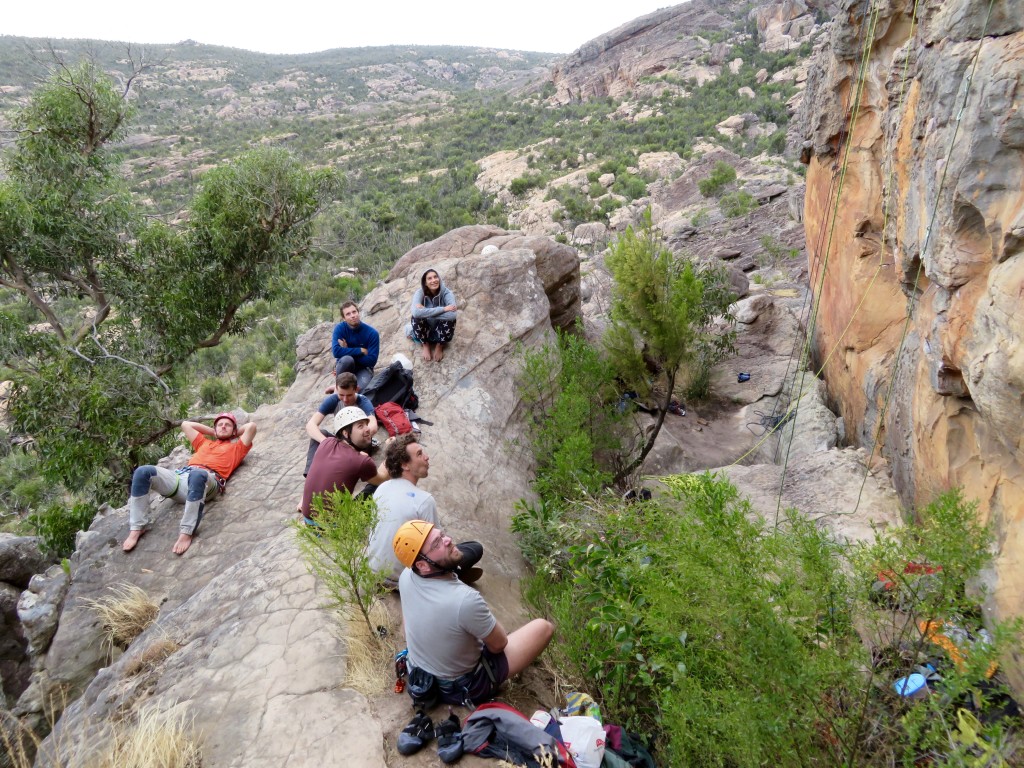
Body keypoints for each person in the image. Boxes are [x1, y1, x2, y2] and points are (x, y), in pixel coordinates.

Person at [393, 520, 554, 705]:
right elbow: (499, 645)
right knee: (544, 627)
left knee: (468, 552)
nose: (447, 540)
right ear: (422, 565)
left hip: (418, 670)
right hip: (462, 687)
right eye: (436, 543)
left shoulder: (406, 576)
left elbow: (407, 629)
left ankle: (450, 565)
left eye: (442, 535)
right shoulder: (465, 600)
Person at [122, 413, 257, 555]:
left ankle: (187, 531)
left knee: (198, 474)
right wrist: (214, 432)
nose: (223, 426)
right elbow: (186, 424)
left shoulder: (237, 448)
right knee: (143, 471)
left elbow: (251, 427)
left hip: (207, 481)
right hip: (181, 479)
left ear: (234, 430)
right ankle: (137, 527)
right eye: (220, 425)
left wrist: (231, 433)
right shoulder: (204, 443)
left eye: (228, 425)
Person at [368, 435, 482, 588]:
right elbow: (439, 550)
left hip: (373, 571)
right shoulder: (423, 501)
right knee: (473, 549)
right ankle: (454, 576)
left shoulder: (382, 488)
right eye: (420, 454)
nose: (427, 457)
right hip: (404, 581)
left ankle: (456, 573)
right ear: (405, 465)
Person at [300, 406, 389, 523]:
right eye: (360, 426)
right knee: (377, 487)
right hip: (335, 528)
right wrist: (389, 451)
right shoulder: (362, 462)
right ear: (346, 433)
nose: (367, 429)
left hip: (309, 522)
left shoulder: (326, 442)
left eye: (366, 424)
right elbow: (383, 479)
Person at [302, 371, 377, 477]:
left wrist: (353, 441)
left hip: (357, 443)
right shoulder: (334, 400)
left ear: (356, 389)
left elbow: (373, 426)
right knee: (319, 435)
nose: (345, 399)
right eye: (341, 395)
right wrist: (326, 443)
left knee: (364, 442)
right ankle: (311, 476)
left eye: (349, 395)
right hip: (340, 441)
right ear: (336, 389)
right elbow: (311, 425)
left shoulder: (363, 401)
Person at [411, 268, 456, 363]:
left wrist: (424, 311)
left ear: (439, 278)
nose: (434, 280)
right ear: (425, 283)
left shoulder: (447, 293)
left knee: (450, 320)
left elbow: (452, 315)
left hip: (441, 328)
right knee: (415, 318)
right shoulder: (419, 293)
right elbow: (415, 313)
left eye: (435, 277)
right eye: (429, 278)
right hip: (425, 327)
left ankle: (440, 345)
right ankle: (425, 344)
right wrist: (443, 309)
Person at [333, 301, 379, 389]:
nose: (353, 316)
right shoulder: (340, 329)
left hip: (364, 369)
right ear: (344, 318)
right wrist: (360, 350)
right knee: (347, 359)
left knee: (358, 392)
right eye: (348, 314)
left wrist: (347, 350)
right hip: (346, 366)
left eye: (354, 312)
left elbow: (371, 361)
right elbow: (336, 352)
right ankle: (338, 388)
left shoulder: (372, 333)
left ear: (358, 312)